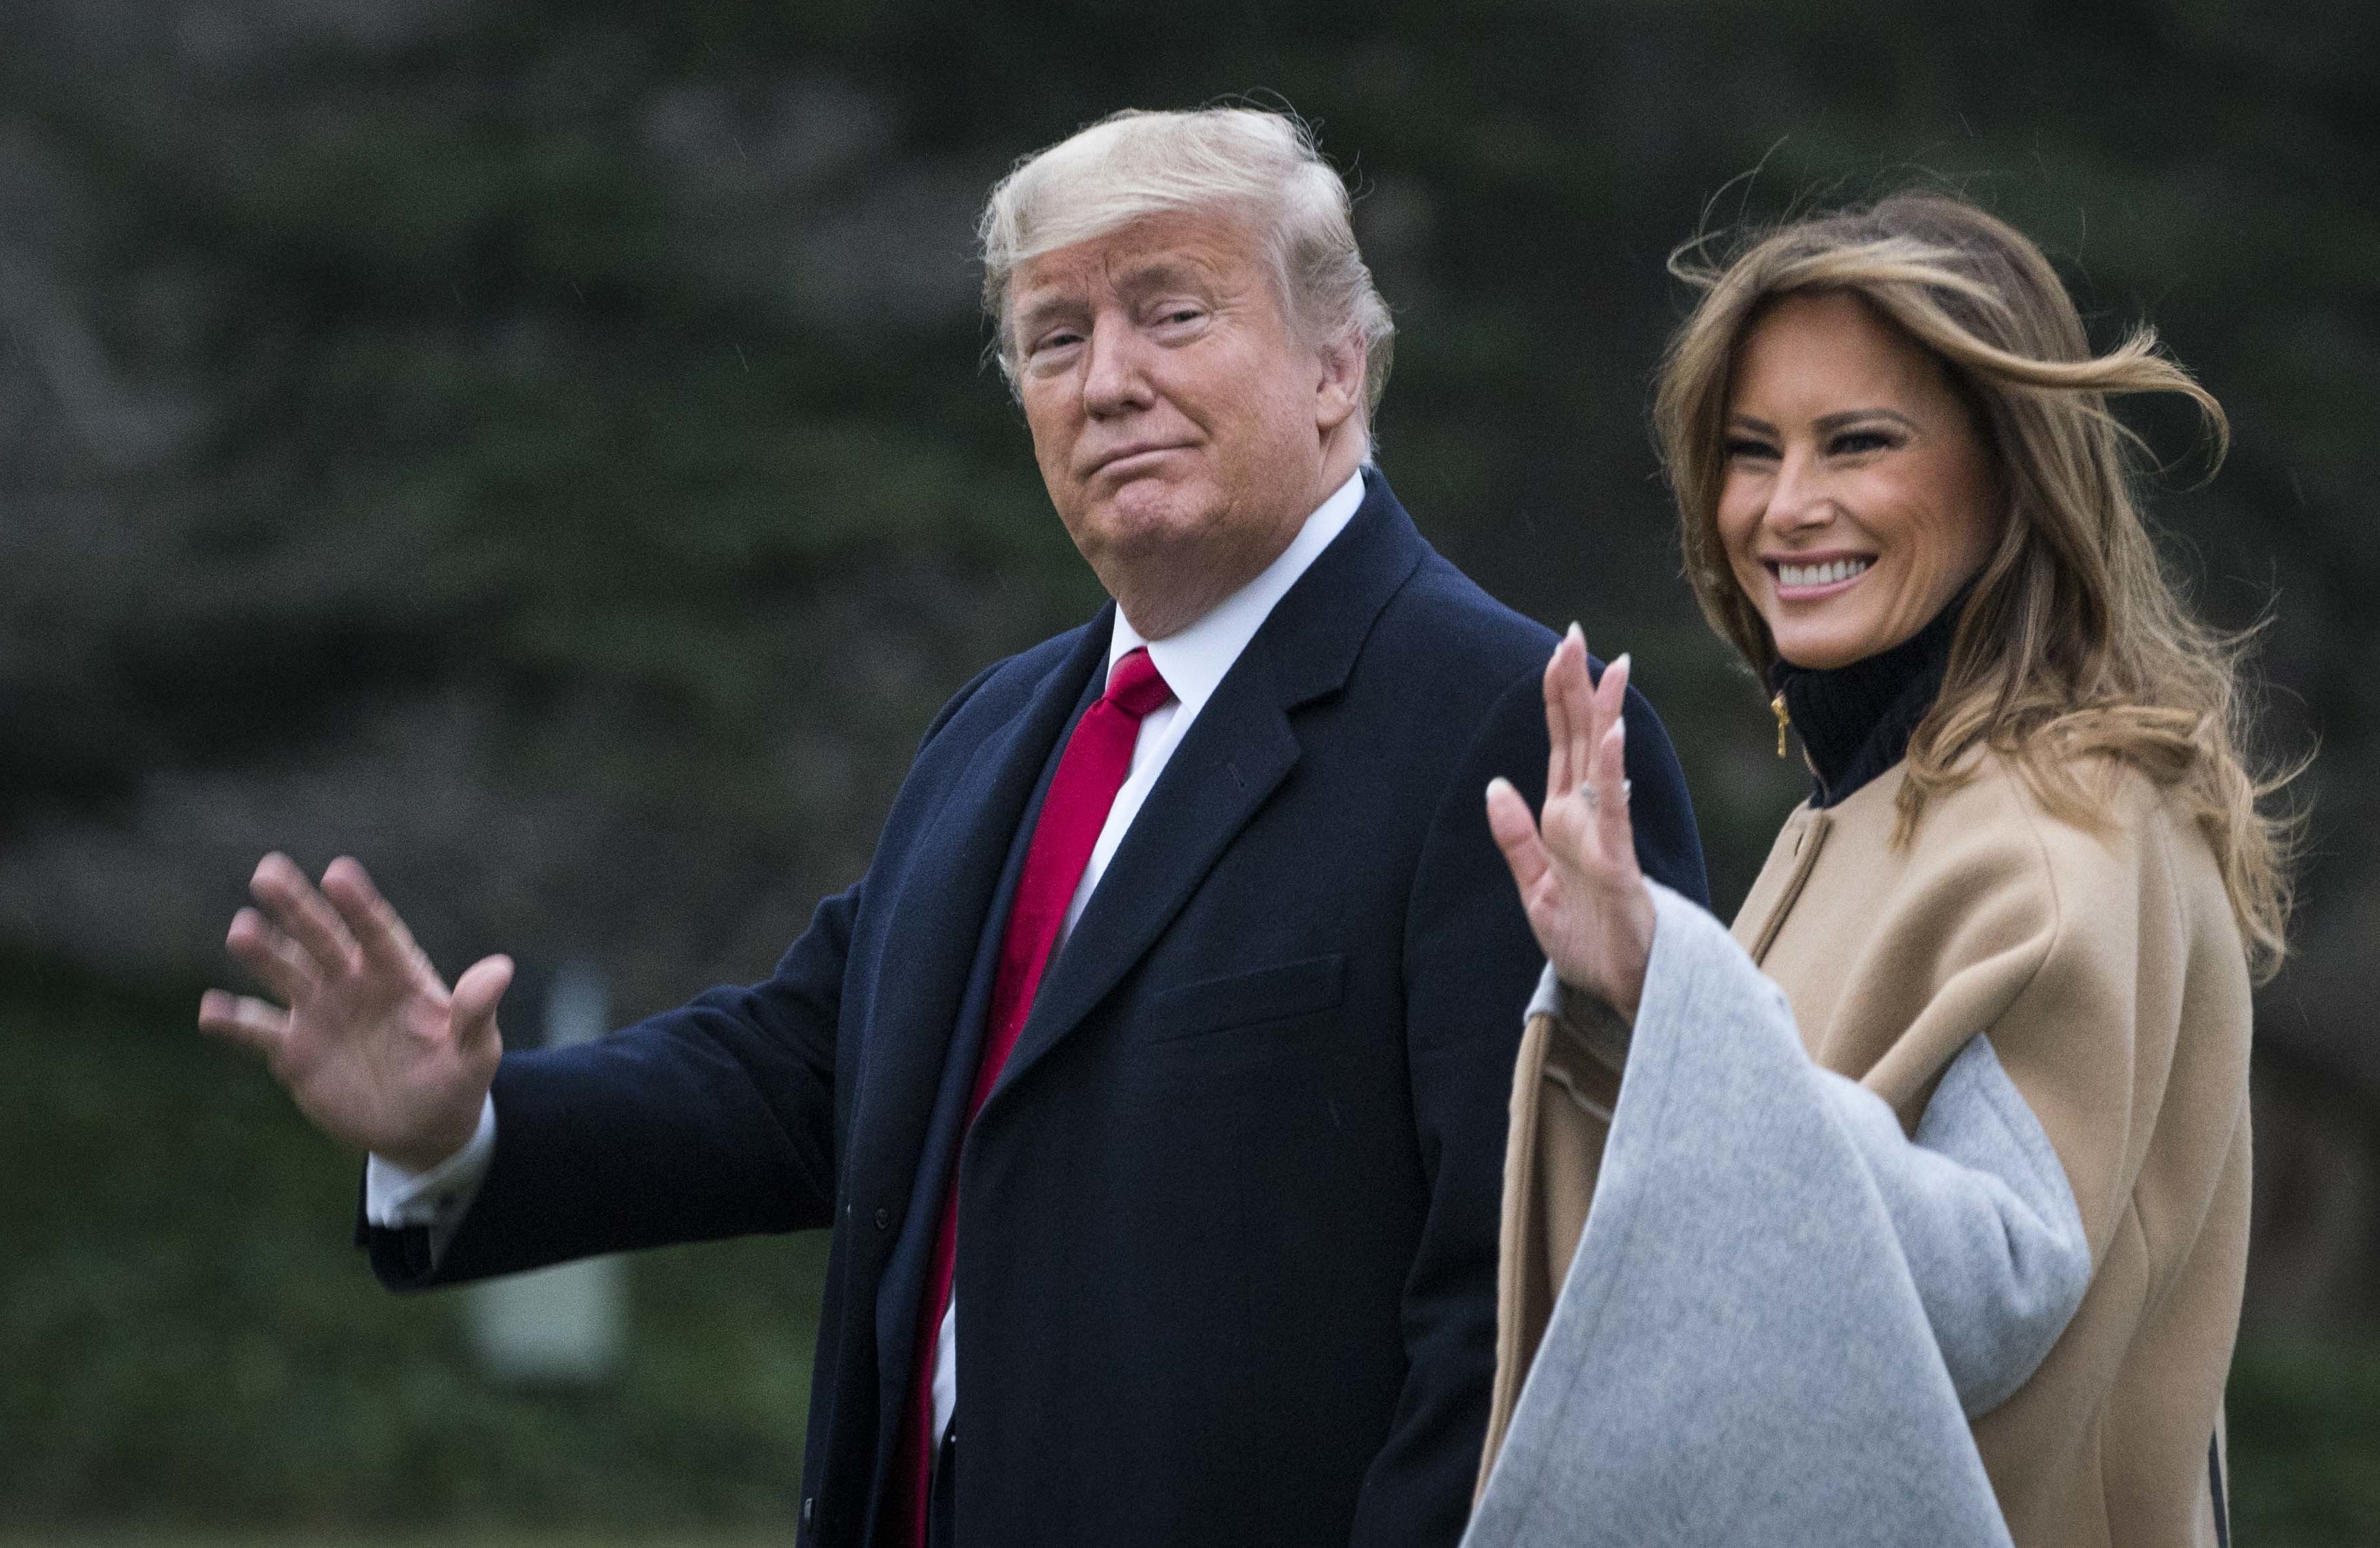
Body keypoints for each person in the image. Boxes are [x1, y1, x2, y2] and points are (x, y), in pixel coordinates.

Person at [197, 106, 1709, 1548]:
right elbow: (806, 1073)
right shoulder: (998, 732)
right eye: (1056, 337)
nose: (1104, 378)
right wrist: (461, 1128)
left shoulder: (1513, 719)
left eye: (1170, 313)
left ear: (1336, 366)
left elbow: (1526, 1306)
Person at [1472, 195, 2292, 1547]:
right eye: (1750, 451)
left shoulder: (2053, 821)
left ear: (2010, 467)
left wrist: (1672, 992)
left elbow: (1991, 1287)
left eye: (1859, 442)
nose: (1787, 507)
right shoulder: (1883, 801)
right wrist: (1634, 1007)